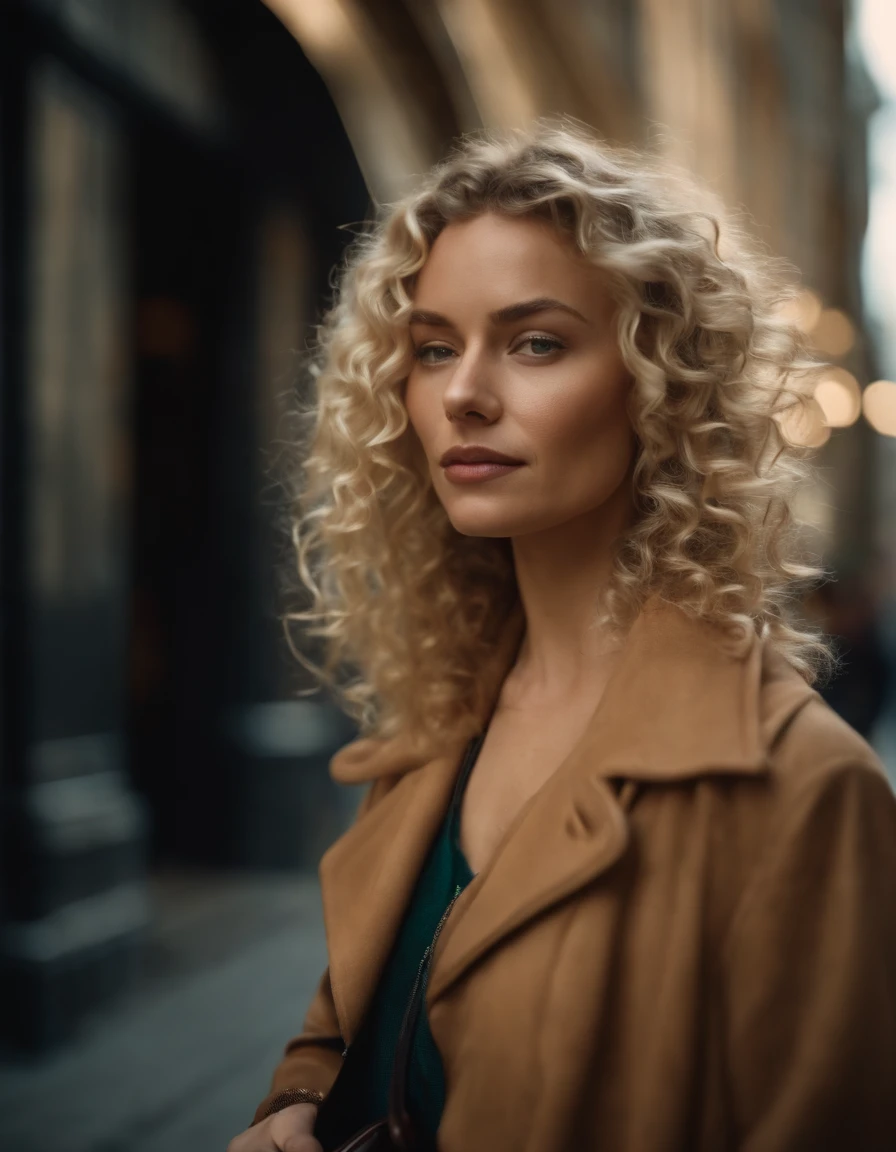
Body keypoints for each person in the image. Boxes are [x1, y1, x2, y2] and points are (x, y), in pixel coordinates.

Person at [227, 123, 896, 1152]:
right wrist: (297, 1098)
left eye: (534, 342)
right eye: (434, 348)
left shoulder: (798, 791)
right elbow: (364, 1017)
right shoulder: (434, 725)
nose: (462, 393)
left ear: (656, 384)